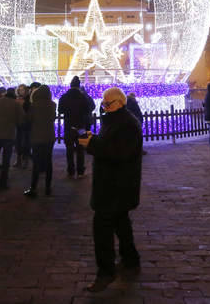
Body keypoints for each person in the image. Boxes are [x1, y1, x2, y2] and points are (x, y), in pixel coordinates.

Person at [78, 87, 142, 293]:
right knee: (121, 222)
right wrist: (93, 139)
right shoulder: (116, 120)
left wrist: (92, 144)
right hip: (114, 184)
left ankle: (106, 272)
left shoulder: (127, 124)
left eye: (108, 103)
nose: (104, 107)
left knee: (102, 228)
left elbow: (119, 152)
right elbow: (110, 144)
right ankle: (130, 259)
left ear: (120, 103)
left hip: (115, 185)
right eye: (103, 103)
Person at [58, 76, 95, 178]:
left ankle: (70, 170)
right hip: (81, 127)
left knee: (69, 149)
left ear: (70, 85)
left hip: (68, 126)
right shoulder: (83, 97)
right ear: (79, 86)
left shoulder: (64, 97)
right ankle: (80, 171)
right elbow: (89, 109)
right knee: (80, 149)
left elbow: (60, 110)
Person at [0, 87, 22, 191]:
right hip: (9, 135)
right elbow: (21, 120)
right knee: (6, 160)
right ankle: (3, 182)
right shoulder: (16, 104)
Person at [24, 85, 56, 197]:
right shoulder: (52, 105)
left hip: (36, 136)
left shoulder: (34, 105)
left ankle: (33, 188)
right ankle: (48, 188)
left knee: (36, 162)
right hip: (49, 137)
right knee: (48, 161)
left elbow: (28, 119)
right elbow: (52, 118)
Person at [14, 84, 32, 169]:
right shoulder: (16, 99)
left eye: (23, 90)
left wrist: (23, 104)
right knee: (18, 142)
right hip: (18, 124)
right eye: (20, 89)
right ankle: (18, 160)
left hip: (26, 124)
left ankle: (25, 161)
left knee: (26, 143)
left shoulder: (29, 100)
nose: (21, 91)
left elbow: (29, 112)